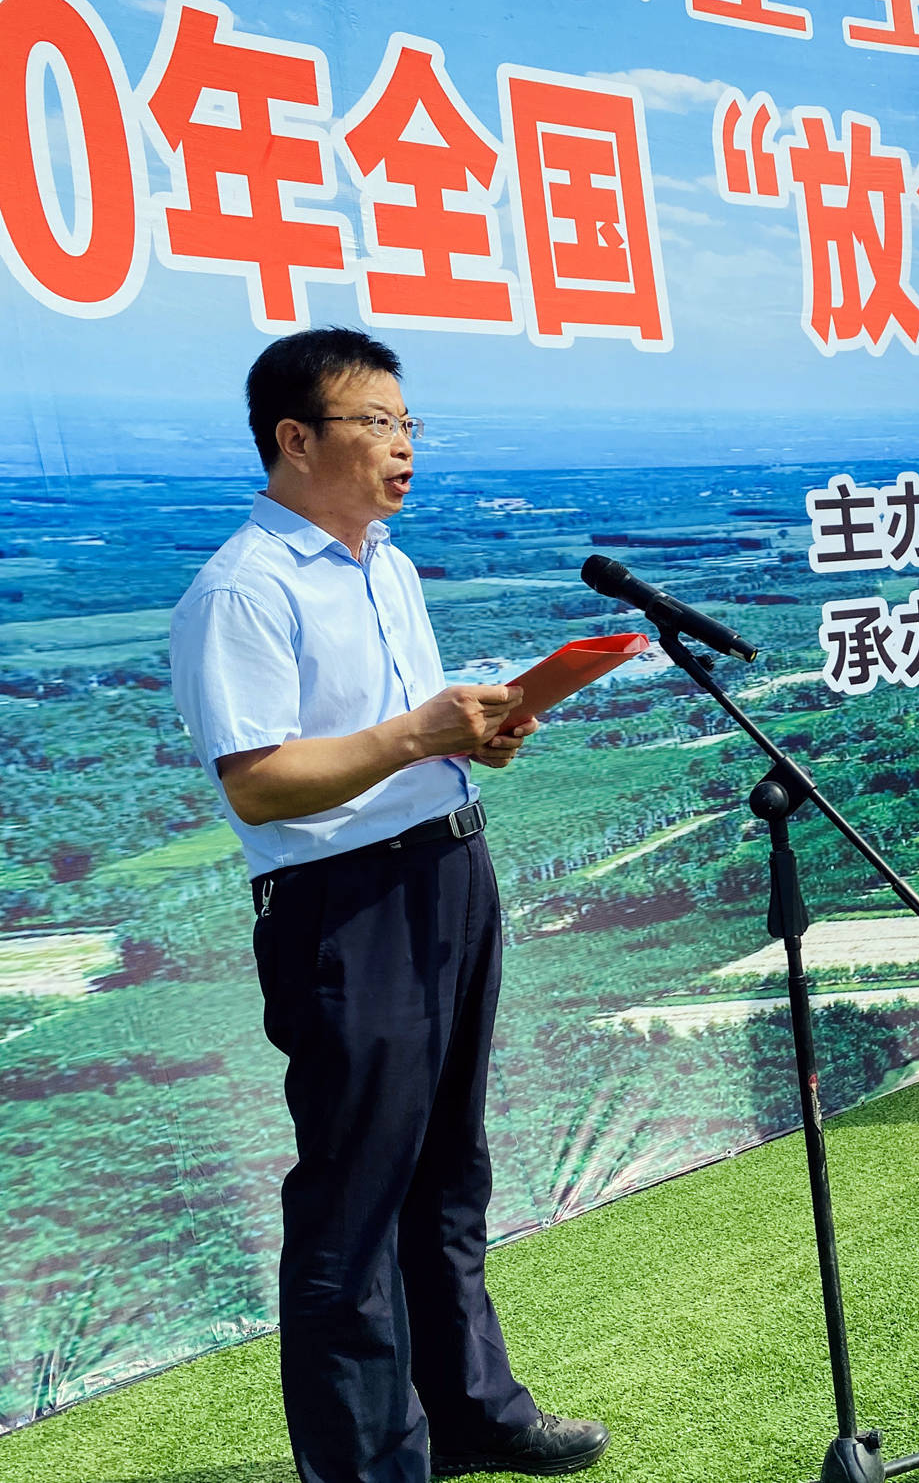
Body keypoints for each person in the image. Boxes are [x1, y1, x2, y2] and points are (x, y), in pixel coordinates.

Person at [168, 329, 609, 1483]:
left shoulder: (387, 565)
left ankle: (470, 1411)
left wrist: (475, 740)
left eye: (410, 425)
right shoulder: (242, 589)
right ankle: (369, 1467)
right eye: (376, 423)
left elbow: (391, 740)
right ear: (294, 437)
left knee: (447, 1170)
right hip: (343, 905)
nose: (402, 447)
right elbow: (260, 780)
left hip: (449, 871)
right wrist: (422, 732)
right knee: (354, 1201)